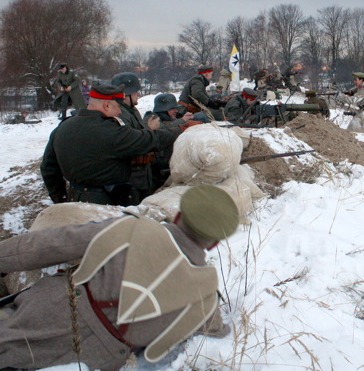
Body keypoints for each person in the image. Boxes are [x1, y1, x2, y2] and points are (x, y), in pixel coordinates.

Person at [0, 185, 239, 370]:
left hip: (38, 317)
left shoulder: (131, 229)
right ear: (215, 243)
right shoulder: (206, 295)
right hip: (94, 358)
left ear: (177, 216)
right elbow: (216, 330)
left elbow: (44, 246)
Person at [40, 81, 184, 206]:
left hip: (76, 198)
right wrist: (180, 128)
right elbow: (150, 139)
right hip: (109, 201)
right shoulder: (111, 131)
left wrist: (61, 198)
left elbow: (48, 168)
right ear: (107, 105)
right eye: (118, 106)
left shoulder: (62, 128)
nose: (119, 111)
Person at [111, 72, 157, 201]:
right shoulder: (121, 114)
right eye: (136, 92)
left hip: (141, 176)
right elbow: (132, 142)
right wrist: (150, 129)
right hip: (131, 178)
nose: (139, 95)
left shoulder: (132, 110)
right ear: (127, 94)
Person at [150, 94, 199, 191]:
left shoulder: (170, 120)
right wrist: (182, 121)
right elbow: (161, 131)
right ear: (163, 108)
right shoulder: (151, 118)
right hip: (157, 171)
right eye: (172, 108)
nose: (176, 111)